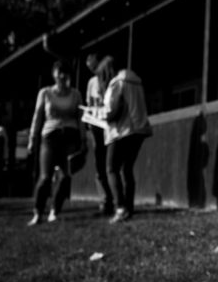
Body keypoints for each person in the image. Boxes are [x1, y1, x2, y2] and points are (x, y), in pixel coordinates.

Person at [26, 60, 83, 225]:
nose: (63, 76)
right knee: (45, 177)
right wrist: (32, 139)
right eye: (60, 72)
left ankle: (55, 210)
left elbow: (80, 118)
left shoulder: (76, 94)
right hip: (49, 137)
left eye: (65, 73)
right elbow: (37, 117)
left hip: (70, 137)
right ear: (54, 74)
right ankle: (38, 212)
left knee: (66, 177)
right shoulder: (45, 93)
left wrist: (83, 139)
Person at [99, 56, 152, 223]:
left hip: (121, 131)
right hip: (139, 129)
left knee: (111, 169)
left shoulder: (116, 83)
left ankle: (120, 208)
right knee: (127, 169)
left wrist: (98, 114)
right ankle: (129, 208)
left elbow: (112, 112)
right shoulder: (136, 82)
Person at [84, 54, 115, 215]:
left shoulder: (111, 79)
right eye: (91, 68)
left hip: (109, 126)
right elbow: (89, 104)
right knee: (100, 164)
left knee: (112, 164)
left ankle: (115, 199)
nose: (94, 70)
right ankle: (105, 201)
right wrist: (89, 119)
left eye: (95, 66)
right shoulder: (91, 83)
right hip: (96, 127)